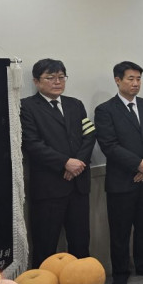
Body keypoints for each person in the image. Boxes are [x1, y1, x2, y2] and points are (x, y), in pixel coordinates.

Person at [94, 61, 143, 284]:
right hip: (121, 181)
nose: (135, 83)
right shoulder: (105, 110)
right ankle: (120, 273)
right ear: (118, 80)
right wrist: (137, 165)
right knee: (120, 230)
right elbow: (109, 145)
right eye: (130, 79)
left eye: (138, 79)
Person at [20, 59, 96, 267]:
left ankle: (83, 282)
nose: (57, 82)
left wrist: (77, 164)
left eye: (61, 77)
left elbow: (89, 135)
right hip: (49, 187)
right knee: (45, 244)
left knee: (81, 240)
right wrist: (65, 163)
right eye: (50, 77)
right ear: (36, 81)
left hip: (78, 184)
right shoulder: (27, 106)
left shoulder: (75, 104)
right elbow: (32, 143)